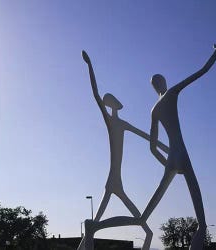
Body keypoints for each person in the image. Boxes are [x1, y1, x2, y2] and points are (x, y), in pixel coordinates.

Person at [78, 50, 169, 250]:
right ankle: (91, 229)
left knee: (146, 229)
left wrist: (168, 149)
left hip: (118, 181)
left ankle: (90, 231)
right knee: (139, 225)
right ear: (110, 105)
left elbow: (147, 137)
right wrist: (89, 65)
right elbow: (95, 93)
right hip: (113, 180)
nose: (118, 103)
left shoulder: (123, 123)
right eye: (113, 101)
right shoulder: (110, 122)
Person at [142, 44, 216, 250]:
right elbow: (201, 72)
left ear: (153, 87)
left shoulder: (153, 110)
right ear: (164, 83)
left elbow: (152, 148)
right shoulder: (172, 93)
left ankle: (141, 220)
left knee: (158, 193)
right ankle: (200, 231)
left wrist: (167, 162)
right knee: (195, 195)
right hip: (182, 154)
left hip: (171, 158)